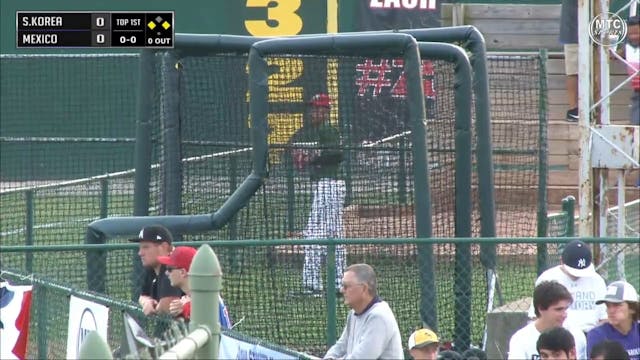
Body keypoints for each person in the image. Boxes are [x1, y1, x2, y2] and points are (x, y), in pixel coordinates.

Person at [289, 93, 346, 296]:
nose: (313, 112)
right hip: (331, 186)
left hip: (328, 186)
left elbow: (337, 154)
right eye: (312, 108)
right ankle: (340, 284)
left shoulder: (327, 129)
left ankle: (312, 285)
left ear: (326, 111)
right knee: (335, 236)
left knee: (314, 234)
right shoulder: (319, 131)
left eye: (317, 108)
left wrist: (313, 158)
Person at [323, 263, 403, 359]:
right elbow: (341, 346)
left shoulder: (379, 317)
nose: (341, 290)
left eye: (346, 286)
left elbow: (362, 357)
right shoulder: (353, 313)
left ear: (364, 288)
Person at [528, 240, 607, 332]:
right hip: (558, 335)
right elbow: (535, 317)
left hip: (590, 334)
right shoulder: (548, 278)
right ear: (562, 262)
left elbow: (604, 318)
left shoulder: (597, 280)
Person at [157, 246, 232, 328]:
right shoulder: (202, 292)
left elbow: (203, 309)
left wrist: (185, 308)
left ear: (182, 272)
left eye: (170, 269)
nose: (166, 273)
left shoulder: (204, 296)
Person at [509, 281, 587, 360]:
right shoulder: (521, 339)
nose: (564, 315)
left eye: (565, 309)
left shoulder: (576, 335)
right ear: (541, 309)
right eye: (558, 309)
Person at [129, 225, 183, 315]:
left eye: (146, 247)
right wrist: (146, 302)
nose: (140, 253)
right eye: (140, 247)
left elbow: (168, 305)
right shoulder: (152, 268)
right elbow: (143, 296)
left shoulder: (172, 267)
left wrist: (154, 308)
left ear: (164, 247)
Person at [586, 281, 639, 360]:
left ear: (632, 308)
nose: (611, 310)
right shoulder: (597, 335)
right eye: (608, 305)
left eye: (617, 305)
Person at [560, 0, 579, 122]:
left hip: (596, 29)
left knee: (597, 68)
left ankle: (595, 108)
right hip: (573, 30)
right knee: (573, 70)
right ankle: (574, 110)